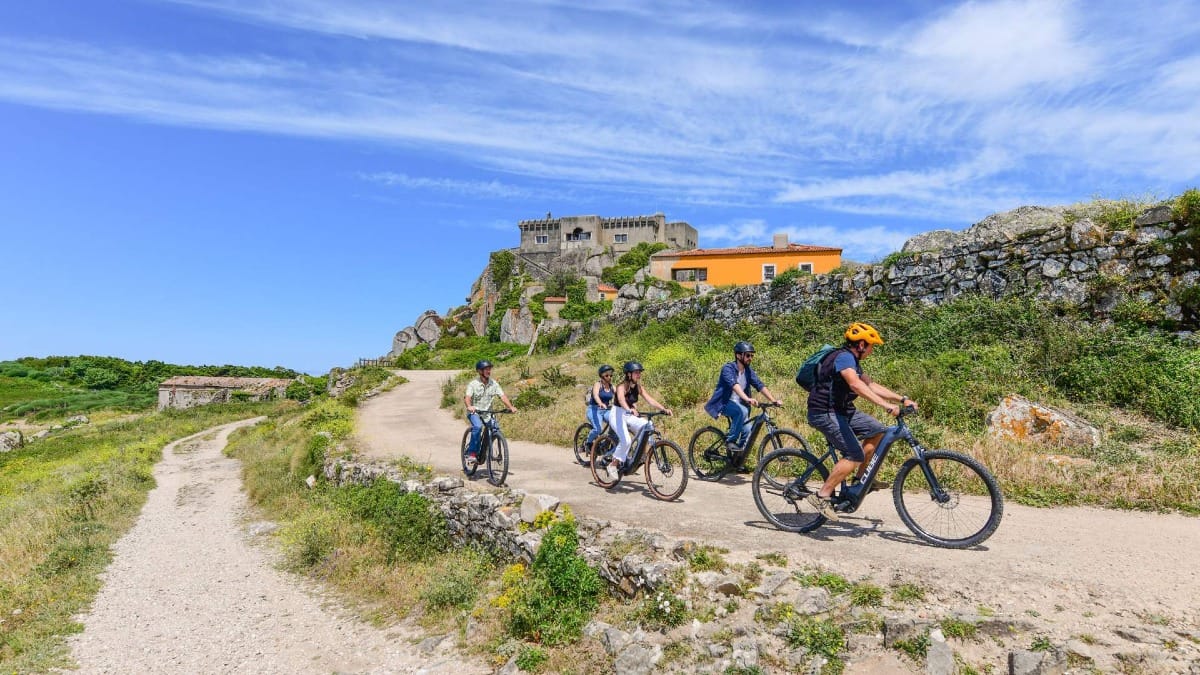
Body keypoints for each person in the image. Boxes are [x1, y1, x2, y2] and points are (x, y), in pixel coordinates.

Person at [805, 323, 916, 520]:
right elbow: (855, 384)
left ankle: (861, 480)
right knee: (854, 454)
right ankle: (821, 496)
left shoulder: (853, 361)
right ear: (861, 344)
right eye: (871, 346)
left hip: (843, 410)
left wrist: (902, 399)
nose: (872, 351)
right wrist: (886, 406)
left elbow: (870, 385)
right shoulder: (844, 357)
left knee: (877, 430)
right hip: (824, 412)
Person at [702, 341, 782, 469]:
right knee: (742, 411)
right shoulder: (728, 369)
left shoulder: (748, 371)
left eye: (752, 355)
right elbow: (734, 385)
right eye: (748, 355)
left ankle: (736, 462)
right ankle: (730, 441)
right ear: (738, 355)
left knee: (748, 431)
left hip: (740, 405)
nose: (750, 358)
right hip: (724, 403)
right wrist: (747, 399)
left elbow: (759, 385)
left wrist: (773, 400)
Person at [604, 361, 671, 482]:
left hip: (629, 414)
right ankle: (613, 465)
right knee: (626, 441)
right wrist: (628, 409)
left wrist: (663, 409)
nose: (639, 375)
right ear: (628, 374)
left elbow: (650, 399)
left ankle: (641, 455)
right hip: (617, 414)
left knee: (647, 425)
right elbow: (621, 399)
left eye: (639, 372)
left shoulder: (638, 387)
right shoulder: (621, 387)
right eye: (636, 373)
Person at [463, 360, 517, 469]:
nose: (489, 371)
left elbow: (502, 396)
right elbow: (467, 397)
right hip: (475, 412)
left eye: (489, 369)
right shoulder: (473, 384)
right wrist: (469, 406)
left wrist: (510, 407)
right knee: (478, 427)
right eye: (486, 369)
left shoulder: (494, 383)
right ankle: (472, 453)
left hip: (487, 413)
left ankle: (484, 452)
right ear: (480, 371)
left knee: (495, 429)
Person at [585, 365, 616, 447]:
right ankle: (588, 443)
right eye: (607, 375)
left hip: (606, 410)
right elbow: (595, 395)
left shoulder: (612, 387)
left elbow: (620, 396)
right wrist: (600, 403)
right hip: (594, 410)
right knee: (598, 429)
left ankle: (607, 444)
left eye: (611, 375)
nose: (609, 377)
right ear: (602, 376)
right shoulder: (598, 384)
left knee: (616, 423)